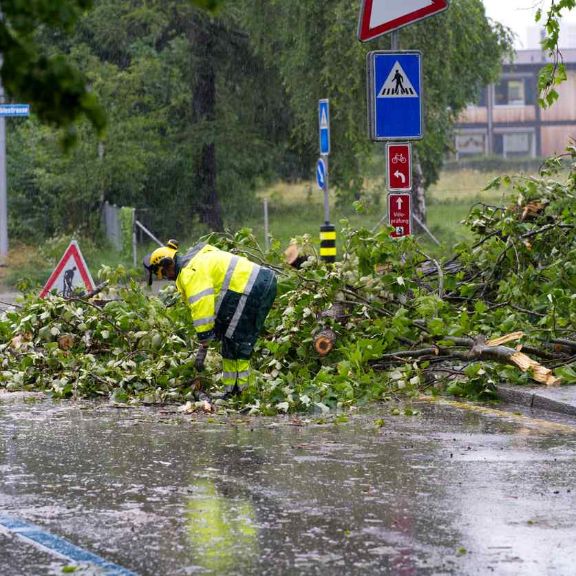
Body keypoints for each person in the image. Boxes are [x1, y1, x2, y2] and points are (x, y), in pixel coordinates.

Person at [143, 240, 277, 398]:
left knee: (239, 341)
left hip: (251, 286)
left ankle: (242, 392)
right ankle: (231, 391)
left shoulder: (190, 272)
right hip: (251, 285)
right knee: (230, 339)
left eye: (164, 274)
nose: (167, 278)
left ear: (167, 265)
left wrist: (204, 342)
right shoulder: (195, 258)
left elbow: (202, 306)